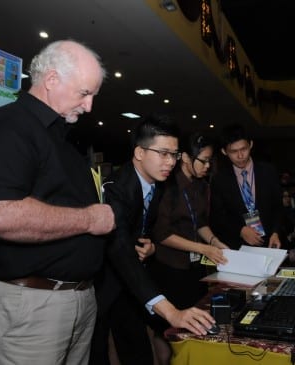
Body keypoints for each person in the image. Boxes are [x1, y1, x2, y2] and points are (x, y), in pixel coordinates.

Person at [0, 40, 116, 365]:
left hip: (71, 300)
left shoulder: (58, 140)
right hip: (30, 306)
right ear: (51, 80)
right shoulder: (6, 127)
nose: (89, 107)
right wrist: (89, 219)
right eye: (84, 93)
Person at [90, 117, 216, 365]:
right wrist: (170, 312)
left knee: (138, 352)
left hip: (133, 284)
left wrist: (151, 246)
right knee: (97, 353)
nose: (171, 162)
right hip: (103, 284)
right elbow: (119, 247)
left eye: (175, 154)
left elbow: (148, 229)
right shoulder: (116, 188)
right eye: (163, 154)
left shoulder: (157, 183)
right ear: (139, 152)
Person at [148, 132, 229, 364]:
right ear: (184, 157)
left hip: (194, 267)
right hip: (168, 267)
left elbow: (201, 222)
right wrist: (203, 249)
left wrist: (214, 242)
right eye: (202, 160)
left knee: (194, 321)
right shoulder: (167, 185)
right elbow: (161, 234)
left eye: (209, 161)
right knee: (167, 328)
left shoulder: (202, 186)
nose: (207, 166)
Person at [210, 123, 283, 249]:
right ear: (224, 151)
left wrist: (276, 232)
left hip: (270, 243)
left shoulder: (268, 171)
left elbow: (278, 206)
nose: (240, 156)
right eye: (233, 151)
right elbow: (218, 216)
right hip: (237, 245)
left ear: (251, 145)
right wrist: (240, 230)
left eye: (244, 149)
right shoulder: (219, 180)